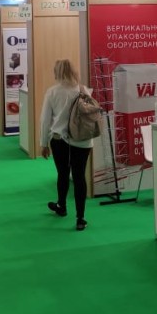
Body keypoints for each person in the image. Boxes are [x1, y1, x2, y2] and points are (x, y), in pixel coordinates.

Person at [40, 59, 95, 231]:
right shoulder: (84, 90)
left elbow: (45, 120)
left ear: (57, 72)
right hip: (83, 140)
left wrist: (43, 143)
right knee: (79, 176)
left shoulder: (52, 92)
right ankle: (80, 218)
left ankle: (62, 206)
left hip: (59, 140)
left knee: (62, 173)